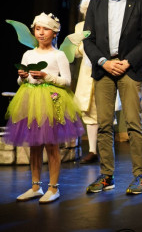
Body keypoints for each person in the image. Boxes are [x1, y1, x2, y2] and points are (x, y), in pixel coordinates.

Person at [83, 0, 142, 195]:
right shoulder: (95, 4)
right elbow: (88, 40)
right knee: (103, 125)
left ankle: (140, 177)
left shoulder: (141, 2)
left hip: (129, 69)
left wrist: (128, 61)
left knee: (133, 124)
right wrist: (104, 62)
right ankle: (106, 176)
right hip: (103, 70)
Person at [4, 13, 85, 203]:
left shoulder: (59, 55)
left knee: (51, 144)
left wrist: (46, 76)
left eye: (46, 29)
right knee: (34, 145)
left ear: (54, 32)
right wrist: (23, 77)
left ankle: (53, 187)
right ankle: (35, 186)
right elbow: (20, 81)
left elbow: (66, 81)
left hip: (51, 101)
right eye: (38, 29)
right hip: (30, 100)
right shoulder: (28, 54)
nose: (41, 33)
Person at [73, 0, 99, 164]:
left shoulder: (105, 24)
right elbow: (75, 52)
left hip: (103, 70)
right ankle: (92, 150)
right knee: (88, 112)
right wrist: (81, 46)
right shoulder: (80, 27)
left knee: (103, 112)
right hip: (86, 72)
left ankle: (104, 150)